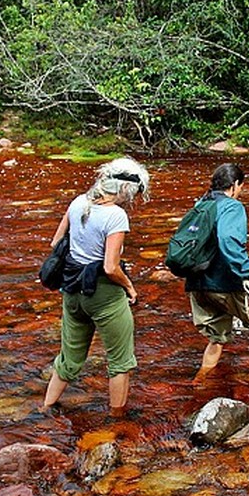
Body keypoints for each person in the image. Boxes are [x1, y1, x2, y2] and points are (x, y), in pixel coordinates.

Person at [41, 158, 149, 418]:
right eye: (134, 195)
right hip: (104, 295)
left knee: (69, 358)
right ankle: (117, 421)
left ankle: (45, 409)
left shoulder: (78, 202)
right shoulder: (115, 216)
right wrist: (130, 287)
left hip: (72, 292)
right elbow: (111, 267)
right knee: (120, 362)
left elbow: (56, 242)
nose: (132, 201)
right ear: (125, 189)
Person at [186, 163, 249, 381]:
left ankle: (198, 383)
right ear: (235, 184)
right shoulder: (232, 207)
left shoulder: (201, 204)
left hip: (197, 282)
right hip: (223, 282)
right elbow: (228, 240)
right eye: (241, 187)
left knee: (216, 338)